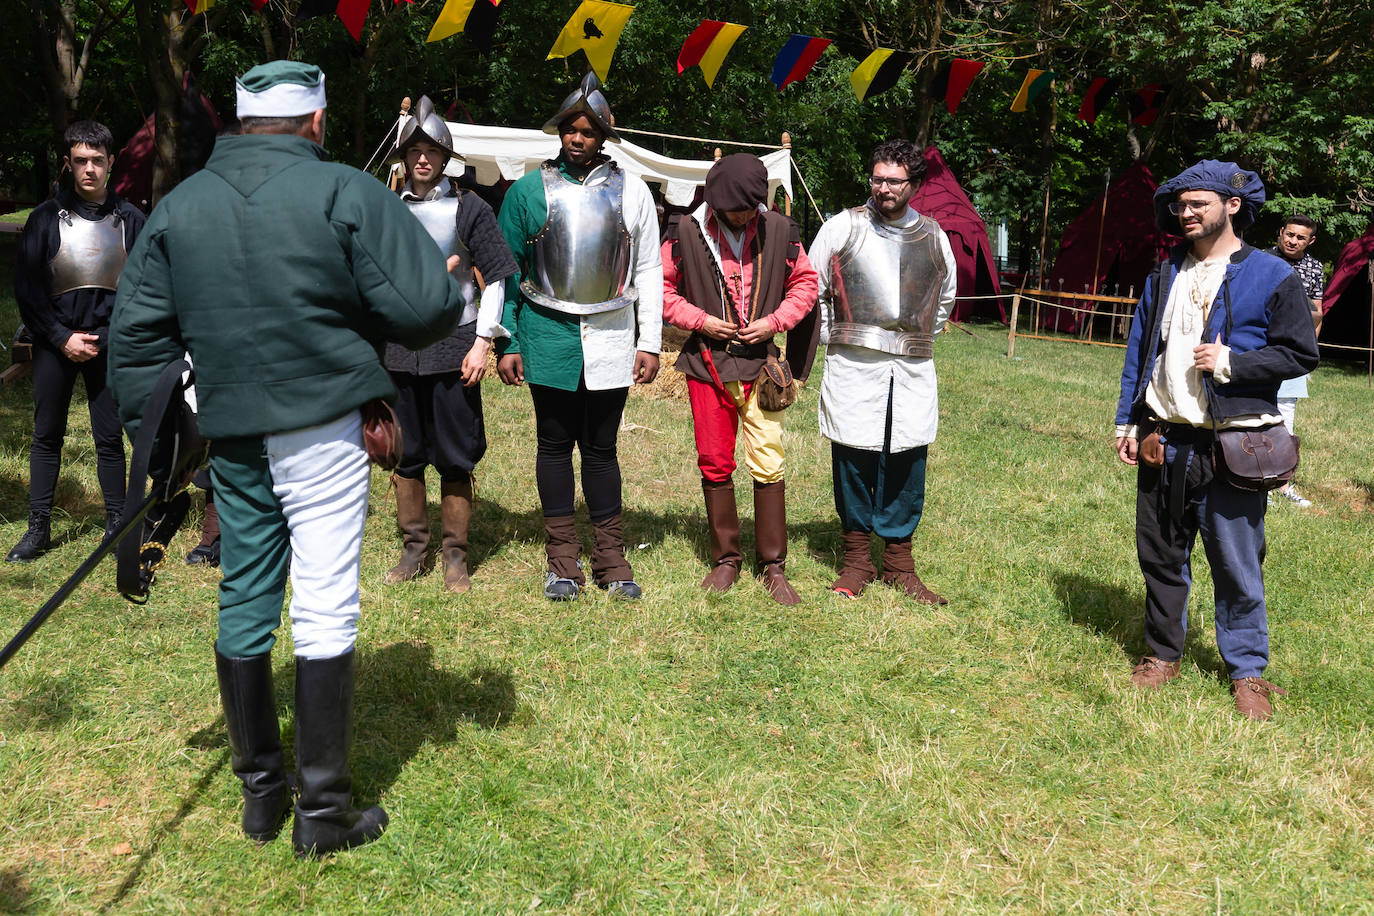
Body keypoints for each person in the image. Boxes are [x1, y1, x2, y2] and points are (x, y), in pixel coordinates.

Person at [109, 61, 463, 856]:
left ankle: (262, 797)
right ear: (315, 119)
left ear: (240, 122)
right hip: (323, 428)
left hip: (230, 436)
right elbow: (426, 310)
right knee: (326, 597)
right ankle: (324, 812)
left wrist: (166, 444)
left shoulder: (180, 204)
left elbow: (135, 339)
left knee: (245, 595)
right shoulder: (344, 191)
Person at [1113, 160, 1318, 721]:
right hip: (1166, 437)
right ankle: (1162, 655)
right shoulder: (1162, 276)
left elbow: (1301, 353)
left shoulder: (1273, 275)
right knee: (1159, 554)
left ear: (1232, 205)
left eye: (1197, 203)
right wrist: (1129, 422)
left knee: (1237, 562)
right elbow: (1140, 354)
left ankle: (1247, 671)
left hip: (1235, 445)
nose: (1185, 213)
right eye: (1180, 205)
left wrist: (1235, 362)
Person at [495, 72, 662, 601]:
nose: (577, 138)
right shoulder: (527, 191)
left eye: (587, 131)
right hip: (547, 335)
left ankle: (611, 559)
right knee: (552, 445)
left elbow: (650, 270)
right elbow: (506, 272)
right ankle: (562, 561)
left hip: (612, 335)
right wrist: (509, 342)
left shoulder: (633, 191)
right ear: (560, 132)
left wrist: (650, 341)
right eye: (570, 129)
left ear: (603, 136)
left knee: (601, 450)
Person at [660, 153, 819, 605]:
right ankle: (726, 559)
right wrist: (701, 321)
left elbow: (806, 285)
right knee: (714, 460)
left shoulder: (782, 232)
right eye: (738, 209)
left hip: (763, 367)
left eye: (753, 207)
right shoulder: (683, 231)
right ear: (717, 201)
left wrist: (774, 323)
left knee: (769, 458)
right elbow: (660, 289)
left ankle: (773, 565)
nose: (747, 215)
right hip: (707, 365)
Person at [807, 140, 957, 605]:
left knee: (908, 458)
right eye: (878, 178)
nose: (884, 188)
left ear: (914, 184)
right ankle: (857, 561)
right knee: (853, 456)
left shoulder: (934, 236)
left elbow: (944, 297)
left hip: (911, 368)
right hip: (854, 363)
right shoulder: (843, 227)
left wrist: (911, 339)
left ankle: (898, 564)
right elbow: (812, 286)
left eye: (894, 180)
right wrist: (837, 335)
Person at [382, 95, 517, 591]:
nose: (422, 158)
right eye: (413, 149)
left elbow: (497, 278)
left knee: (457, 454)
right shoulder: (386, 209)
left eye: (431, 149)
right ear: (403, 156)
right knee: (406, 452)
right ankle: (415, 548)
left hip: (456, 342)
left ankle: (455, 555)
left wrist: (483, 343)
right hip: (398, 348)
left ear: (444, 155)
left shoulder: (471, 208)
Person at [7, 120, 145, 563]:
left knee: (109, 437)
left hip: (109, 346)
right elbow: (27, 290)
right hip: (54, 345)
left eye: (98, 161)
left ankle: (117, 524)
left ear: (111, 162)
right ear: (68, 164)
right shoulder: (45, 220)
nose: (90, 169)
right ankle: (38, 528)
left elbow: (143, 290)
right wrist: (62, 337)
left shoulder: (131, 221)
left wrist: (105, 339)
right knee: (47, 435)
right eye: (81, 161)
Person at [1265, 214, 1325, 508]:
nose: (1293, 240)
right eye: (1289, 234)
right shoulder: (1260, 260)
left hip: (1292, 355)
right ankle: (1254, 482)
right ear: (1281, 233)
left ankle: (1282, 485)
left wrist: (1306, 349)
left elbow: (1318, 312)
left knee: (1285, 421)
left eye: (1300, 237)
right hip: (1260, 353)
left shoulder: (1314, 269)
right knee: (1256, 417)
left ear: (1310, 241)